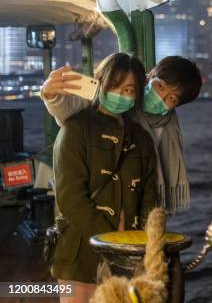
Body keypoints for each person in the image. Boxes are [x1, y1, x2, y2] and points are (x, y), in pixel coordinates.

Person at [51, 53, 157, 302]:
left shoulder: (141, 138)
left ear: (138, 93)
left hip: (129, 255)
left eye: (129, 89)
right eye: (114, 85)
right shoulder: (75, 129)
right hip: (79, 253)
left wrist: (139, 243)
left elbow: (149, 197)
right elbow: (70, 197)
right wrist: (109, 241)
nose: (121, 93)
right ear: (100, 83)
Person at [42, 56, 202, 213]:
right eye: (160, 87)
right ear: (151, 75)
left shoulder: (168, 127)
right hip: (96, 205)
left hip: (138, 210)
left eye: (172, 98)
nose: (161, 97)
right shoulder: (116, 102)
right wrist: (51, 95)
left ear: (176, 105)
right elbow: (70, 110)